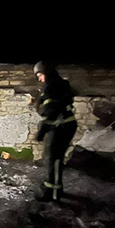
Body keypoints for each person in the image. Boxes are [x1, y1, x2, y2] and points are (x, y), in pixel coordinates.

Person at [31, 61, 77, 202]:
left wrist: (40, 133)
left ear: (47, 73)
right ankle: (53, 188)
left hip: (60, 127)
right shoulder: (60, 84)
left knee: (54, 159)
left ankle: (53, 193)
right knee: (53, 158)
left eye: (40, 75)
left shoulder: (51, 87)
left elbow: (50, 113)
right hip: (65, 125)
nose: (39, 79)